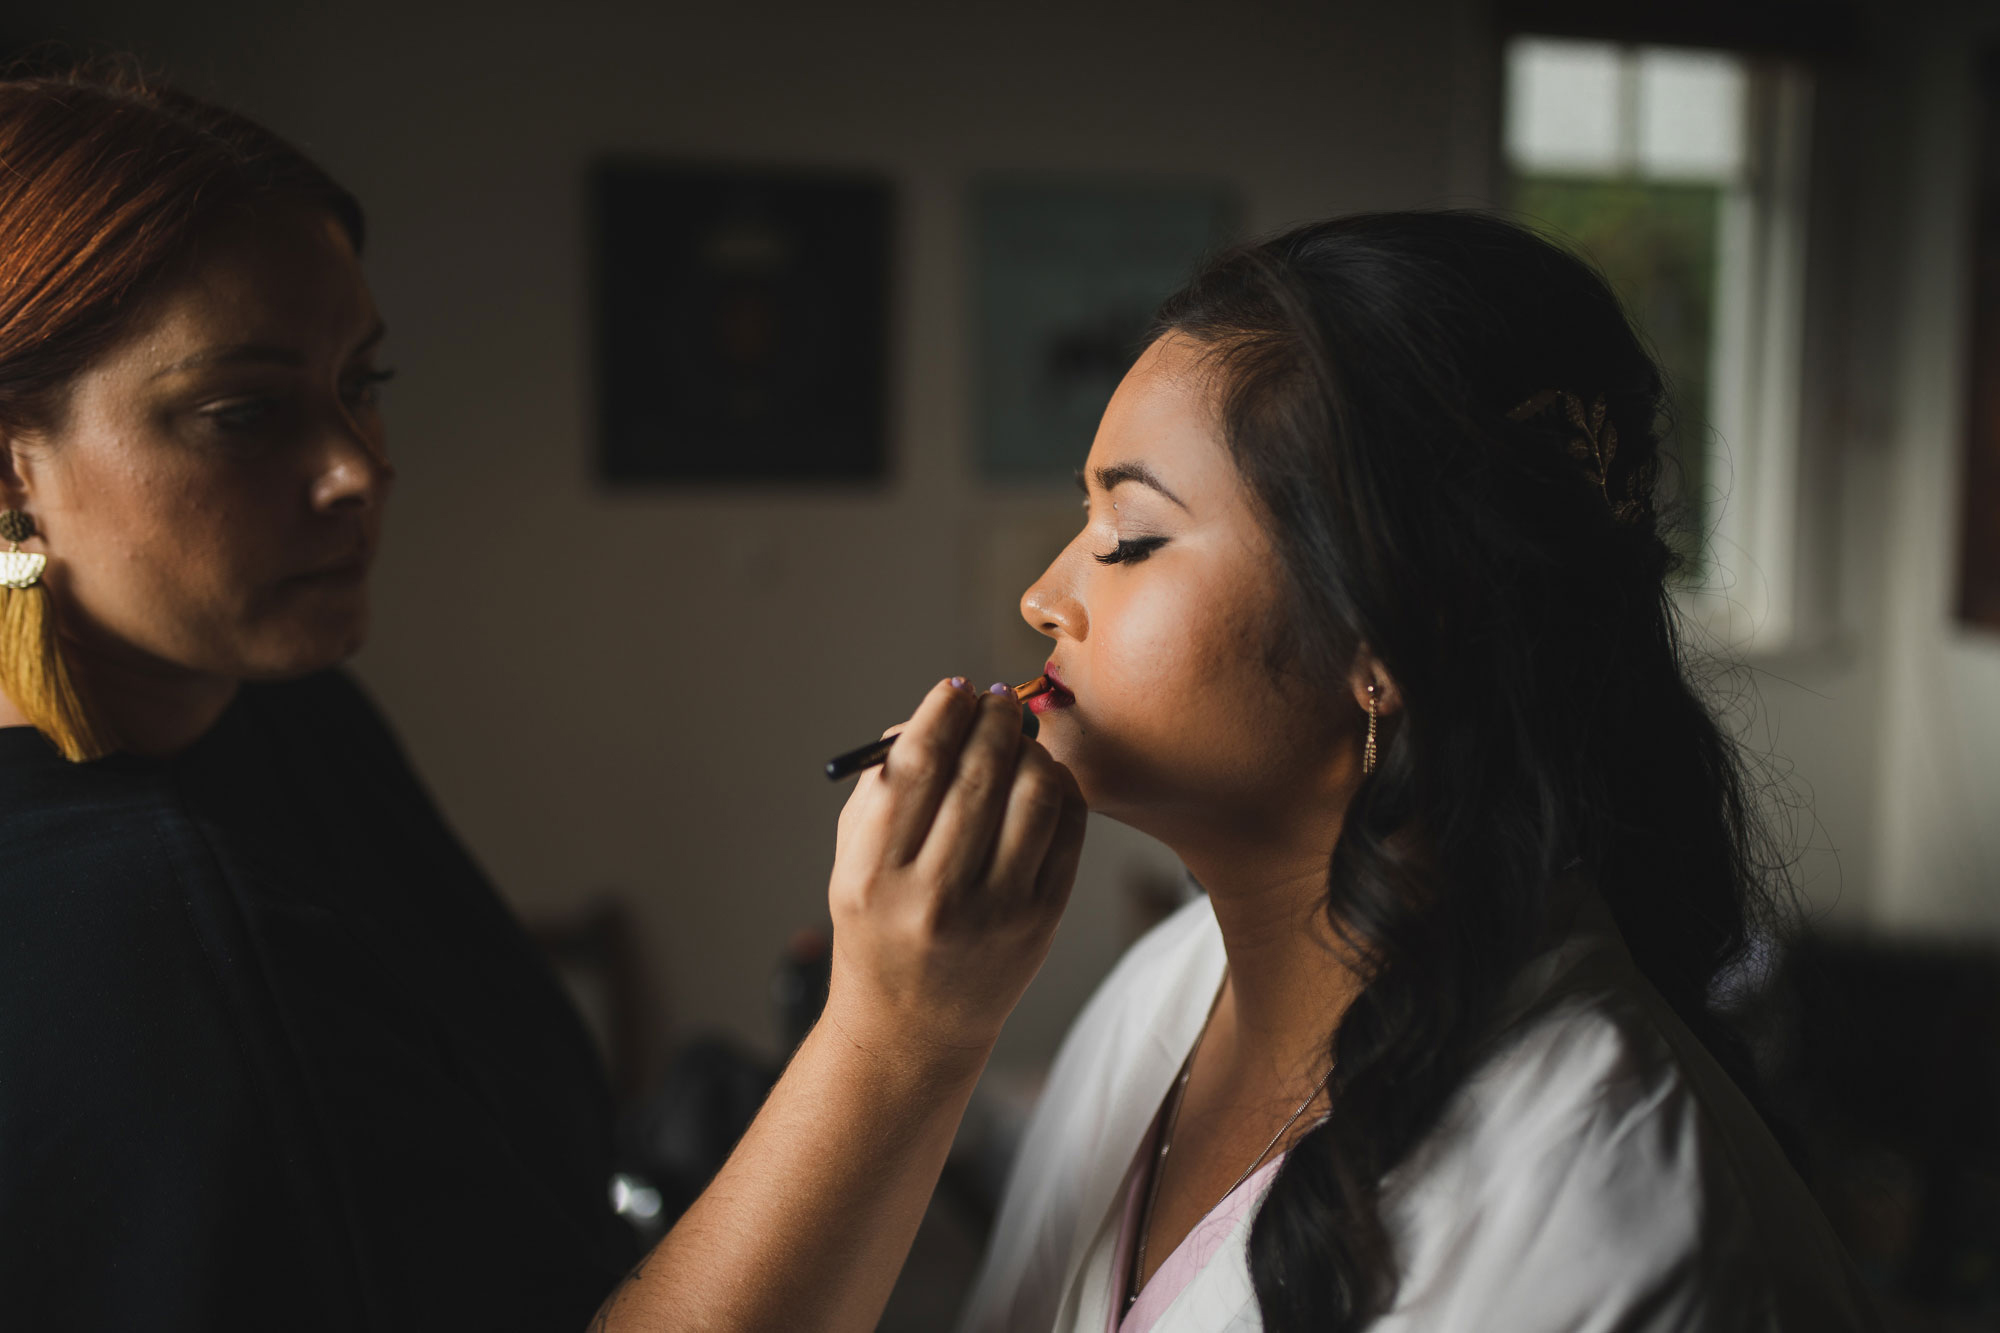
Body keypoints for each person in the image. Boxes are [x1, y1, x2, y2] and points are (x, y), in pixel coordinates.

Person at [0, 66, 1083, 1333]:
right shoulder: (106, 925)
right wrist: (901, 1030)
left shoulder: (285, 711)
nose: (359, 466)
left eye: (365, 382)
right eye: (246, 413)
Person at [959, 213, 1881, 1332]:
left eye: (1130, 535)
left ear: (1383, 639)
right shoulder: (1159, 990)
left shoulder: (1613, 1214)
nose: (1045, 596)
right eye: (1082, 511)